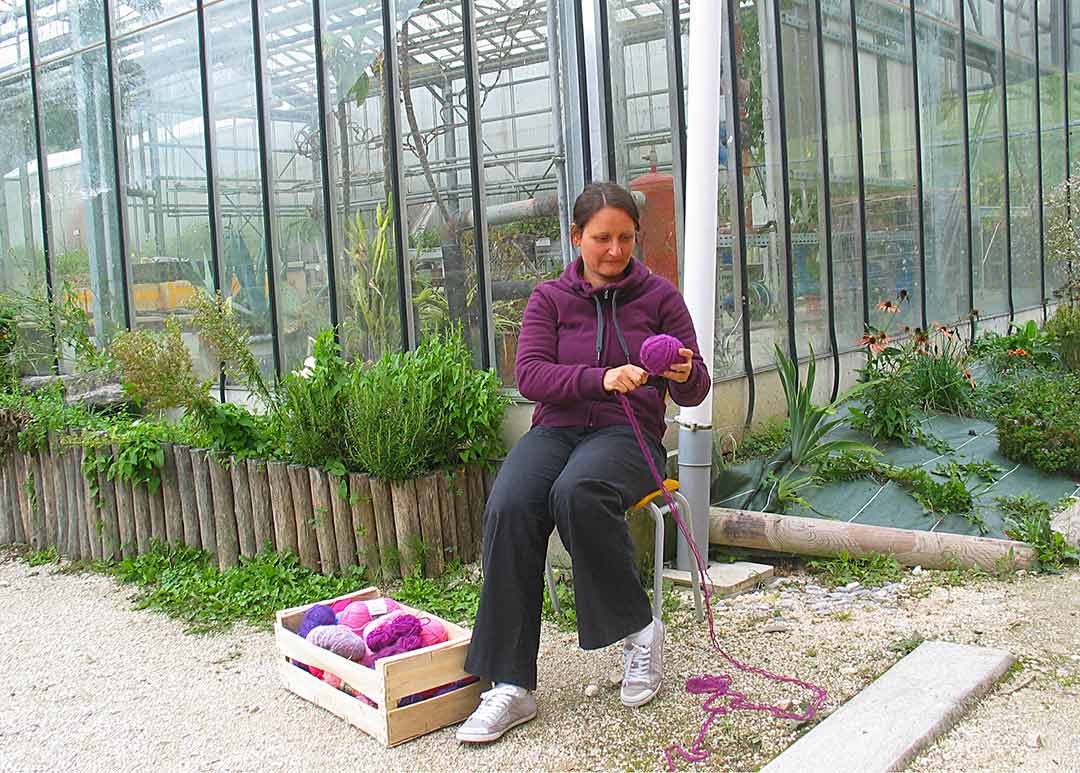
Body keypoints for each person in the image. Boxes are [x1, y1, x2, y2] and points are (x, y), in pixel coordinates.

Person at [457, 181, 711, 743]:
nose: (616, 250)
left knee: (579, 491)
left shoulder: (662, 298)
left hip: (629, 435)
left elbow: (696, 392)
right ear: (576, 238)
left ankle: (639, 630)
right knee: (511, 502)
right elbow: (531, 376)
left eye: (625, 238)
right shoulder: (549, 298)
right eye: (602, 239)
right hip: (559, 427)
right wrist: (601, 378)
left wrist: (683, 373)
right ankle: (510, 683)